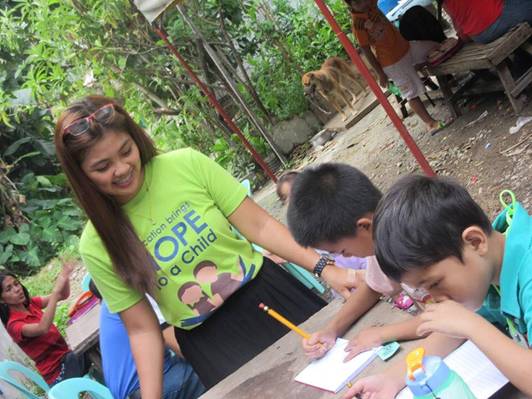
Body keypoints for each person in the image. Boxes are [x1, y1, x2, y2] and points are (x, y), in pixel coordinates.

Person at [53, 96, 359, 397]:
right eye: (103, 166)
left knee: (348, 381)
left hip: (269, 297)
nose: (121, 169)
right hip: (209, 344)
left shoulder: (185, 163)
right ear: (82, 176)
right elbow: (142, 328)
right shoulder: (96, 243)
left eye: (125, 151)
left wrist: (326, 269)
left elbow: (260, 226)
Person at [287, 164, 463, 398]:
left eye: (341, 251)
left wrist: (386, 333)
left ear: (364, 227)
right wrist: (332, 329)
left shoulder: (420, 239)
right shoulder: (381, 246)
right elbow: (372, 286)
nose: (342, 259)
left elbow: (459, 317)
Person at [367, 175, 532, 397]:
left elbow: (468, 324)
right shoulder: (490, 268)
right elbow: (454, 332)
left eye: (435, 283)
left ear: (475, 241)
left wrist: (471, 326)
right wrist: (392, 378)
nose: (437, 298)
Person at [88, 280, 204, 399]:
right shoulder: (133, 289)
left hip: (135, 389)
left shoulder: (114, 299)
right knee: (208, 367)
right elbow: (173, 340)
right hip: (146, 388)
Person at [344, 0, 446, 135]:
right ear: (351, 6)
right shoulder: (358, 25)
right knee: (411, 93)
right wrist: (380, 73)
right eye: (358, 3)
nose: (364, 4)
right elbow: (366, 51)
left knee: (437, 46)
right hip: (392, 62)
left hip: (406, 47)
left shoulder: (371, 5)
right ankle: (430, 123)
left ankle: (420, 72)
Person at [0, 266, 89, 385]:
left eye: (16, 284)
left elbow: (63, 295)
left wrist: (65, 277)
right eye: (9, 289)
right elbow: (43, 328)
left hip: (67, 359)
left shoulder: (31, 304)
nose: (17, 289)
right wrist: (55, 293)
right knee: (90, 349)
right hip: (58, 374)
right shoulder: (14, 325)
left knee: (91, 347)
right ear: (2, 300)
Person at [438, 0, 532, 44]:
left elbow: (458, 26)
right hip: (496, 21)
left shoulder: (444, 2)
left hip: (478, 37)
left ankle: (522, 62)